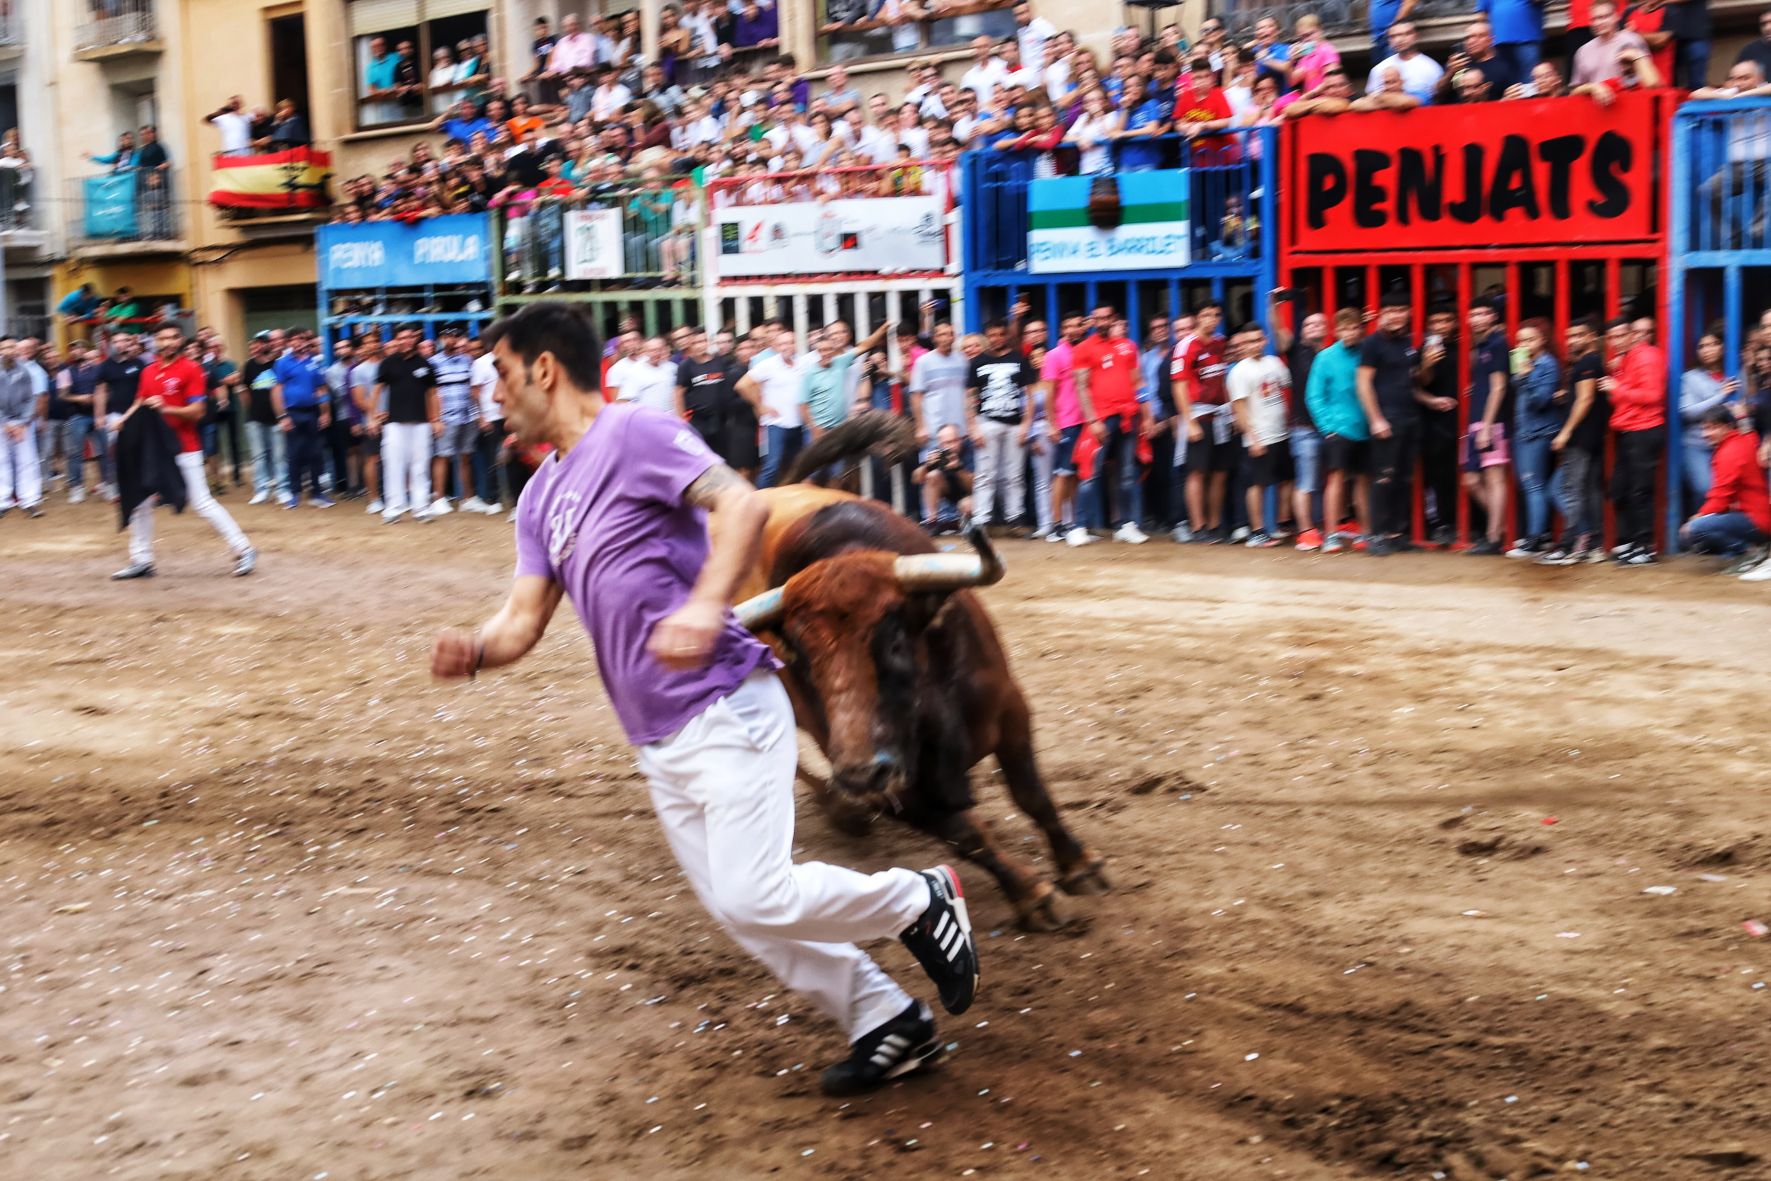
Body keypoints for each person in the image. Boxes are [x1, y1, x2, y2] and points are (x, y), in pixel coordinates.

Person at [429, 303, 979, 1097]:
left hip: (725, 702)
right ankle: (887, 1019)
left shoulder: (636, 434)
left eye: (503, 376)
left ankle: (920, 898)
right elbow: (521, 620)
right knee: (742, 907)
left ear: (543, 369)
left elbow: (743, 504)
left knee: (758, 890)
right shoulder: (540, 498)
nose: (496, 395)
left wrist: (702, 603)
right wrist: (476, 650)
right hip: (656, 736)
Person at [112, 326, 256, 580]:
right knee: (141, 502)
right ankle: (141, 559)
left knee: (201, 502)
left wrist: (167, 408)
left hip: (184, 446)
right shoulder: (148, 371)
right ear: (154, 341)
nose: (167, 342)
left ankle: (243, 549)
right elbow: (140, 401)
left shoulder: (191, 369)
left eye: (172, 337)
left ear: (180, 340)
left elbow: (198, 411)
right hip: (153, 447)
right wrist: (124, 419)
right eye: (162, 338)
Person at [1072, 308, 1149, 545]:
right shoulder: (1083, 348)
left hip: (1128, 416)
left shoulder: (1128, 346)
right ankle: (1078, 527)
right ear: (1092, 321)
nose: (1104, 322)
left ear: (1114, 319)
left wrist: (1147, 415)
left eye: (1108, 317)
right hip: (1102, 418)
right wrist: (1093, 421)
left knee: (1127, 474)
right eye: (1099, 318)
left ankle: (1126, 525)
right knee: (1090, 474)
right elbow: (1082, 387)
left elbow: (1138, 382)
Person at [1356, 290, 1424, 557]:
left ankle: (1396, 534)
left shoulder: (1408, 343)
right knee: (1383, 477)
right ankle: (1375, 535)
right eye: (1391, 311)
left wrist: (1427, 366)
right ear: (1381, 315)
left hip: (1409, 417)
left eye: (1401, 310)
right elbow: (1363, 384)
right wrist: (1376, 419)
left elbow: (1416, 381)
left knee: (1404, 478)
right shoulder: (1372, 344)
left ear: (1408, 313)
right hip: (1386, 419)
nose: (1396, 316)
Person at [1540, 319, 1609, 565]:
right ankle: (1594, 545)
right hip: (1592, 437)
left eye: (1579, 335)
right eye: (1569, 336)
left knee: (1569, 490)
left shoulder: (1587, 363)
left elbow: (1586, 399)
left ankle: (1572, 544)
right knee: (1589, 491)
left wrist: (1565, 432)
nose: (1572, 341)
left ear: (1592, 337)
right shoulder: (1590, 363)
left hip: (1580, 438)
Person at [1606, 316, 1668, 564]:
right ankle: (1631, 541)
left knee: (1639, 490)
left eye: (1621, 335)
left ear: (1633, 335)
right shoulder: (1626, 360)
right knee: (1620, 490)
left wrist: (1616, 387)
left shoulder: (1646, 356)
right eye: (1612, 337)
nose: (1616, 341)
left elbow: (1653, 395)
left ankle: (1645, 546)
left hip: (1644, 429)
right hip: (1630, 430)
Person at [1307, 309, 1370, 554]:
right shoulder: (1325, 357)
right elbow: (1314, 396)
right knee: (1336, 480)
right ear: (1337, 331)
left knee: (1363, 482)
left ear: (1361, 329)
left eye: (1355, 328)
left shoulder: (1367, 353)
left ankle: (1365, 532)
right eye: (1345, 329)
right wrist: (1327, 428)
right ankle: (1331, 534)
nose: (1351, 333)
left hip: (1365, 428)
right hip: (1338, 429)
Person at [966, 318, 1037, 530]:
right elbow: (969, 396)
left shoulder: (1019, 360)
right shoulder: (977, 362)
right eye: (992, 335)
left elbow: (1030, 395)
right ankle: (981, 518)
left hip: (1015, 424)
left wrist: (1026, 424)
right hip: (987, 422)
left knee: (1014, 474)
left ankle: (1014, 516)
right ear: (987, 337)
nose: (996, 339)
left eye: (1000, 334)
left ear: (1007, 336)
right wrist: (973, 426)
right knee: (985, 473)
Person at [1226, 324, 1292, 548]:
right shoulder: (1239, 371)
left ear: (1264, 340)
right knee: (1257, 484)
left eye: (1257, 340)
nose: (1254, 345)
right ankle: (1257, 532)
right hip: (1260, 435)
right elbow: (1239, 407)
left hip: (1280, 432)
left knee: (1286, 479)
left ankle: (1280, 525)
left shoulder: (1274, 362)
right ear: (1243, 344)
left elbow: (1286, 387)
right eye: (1249, 342)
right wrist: (1252, 437)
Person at [1172, 302, 1232, 542]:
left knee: (1219, 473)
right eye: (1206, 315)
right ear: (1197, 318)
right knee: (1196, 473)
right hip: (1198, 415)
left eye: (1216, 315)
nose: (1211, 319)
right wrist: (1190, 421)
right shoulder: (1186, 346)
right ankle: (1198, 527)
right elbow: (1179, 386)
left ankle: (1215, 525)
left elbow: (1223, 379)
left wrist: (1232, 413)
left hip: (1220, 415)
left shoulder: (1220, 343)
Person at [1679, 406, 1768, 561]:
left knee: (1692, 531)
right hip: (1759, 517)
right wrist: (1741, 416)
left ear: (1727, 427)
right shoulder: (1745, 439)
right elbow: (1749, 432)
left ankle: (1748, 552)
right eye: (1705, 429)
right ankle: (1746, 550)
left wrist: (1699, 517)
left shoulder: (1728, 452)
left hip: (1755, 519)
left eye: (1713, 428)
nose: (1706, 434)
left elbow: (1720, 498)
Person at [1458, 302, 1512, 556]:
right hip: (1477, 419)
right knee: (1470, 479)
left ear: (1493, 316)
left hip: (1491, 422)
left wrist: (1488, 426)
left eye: (1483, 313)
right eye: (1473, 314)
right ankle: (1501, 528)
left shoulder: (1498, 343)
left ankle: (1493, 538)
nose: (1477, 318)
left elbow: (1500, 387)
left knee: (1493, 477)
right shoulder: (1481, 345)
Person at [1274, 301, 1326, 550]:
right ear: (1302, 330)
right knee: (1306, 482)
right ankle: (1305, 531)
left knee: (1323, 482)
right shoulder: (1296, 351)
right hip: (1303, 428)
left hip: (1328, 427)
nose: (1314, 327)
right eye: (1309, 324)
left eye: (1319, 323)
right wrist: (1273, 308)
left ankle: (1321, 527)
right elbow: (1279, 333)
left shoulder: (1331, 353)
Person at [375, 325, 439, 524]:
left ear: (415, 339)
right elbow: (377, 390)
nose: (405, 341)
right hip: (394, 423)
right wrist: (373, 415)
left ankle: (421, 508)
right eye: (401, 337)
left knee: (420, 466)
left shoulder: (425, 364)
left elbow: (432, 394)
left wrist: (436, 419)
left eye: (409, 337)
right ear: (396, 340)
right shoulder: (388, 363)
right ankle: (394, 508)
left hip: (421, 423)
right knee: (394, 464)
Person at [1508, 324, 1563, 557]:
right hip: (1525, 430)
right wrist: (1521, 375)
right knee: (1530, 485)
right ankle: (1540, 535)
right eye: (1520, 341)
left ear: (1542, 340)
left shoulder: (1547, 364)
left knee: (1534, 485)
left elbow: (1540, 401)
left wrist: (1527, 375)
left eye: (1530, 340)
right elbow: (1516, 387)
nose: (1524, 345)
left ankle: (1535, 539)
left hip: (1538, 432)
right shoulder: (1528, 363)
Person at [738, 326, 811, 488]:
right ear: (776, 346)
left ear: (796, 344)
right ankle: (759, 500)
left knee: (797, 465)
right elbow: (742, 385)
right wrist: (761, 406)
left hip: (798, 423)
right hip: (776, 424)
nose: (787, 346)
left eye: (791, 342)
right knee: (772, 465)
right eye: (783, 343)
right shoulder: (768, 364)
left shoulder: (802, 363)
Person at [273, 331, 333, 509]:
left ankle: (317, 493)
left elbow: (321, 390)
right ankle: (294, 494)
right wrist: (282, 416)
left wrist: (325, 413)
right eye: (293, 340)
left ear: (305, 341)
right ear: (289, 343)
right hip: (292, 413)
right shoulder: (282, 363)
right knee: (294, 455)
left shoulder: (313, 362)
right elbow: (277, 391)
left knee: (315, 454)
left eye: (300, 339)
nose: (297, 343)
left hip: (312, 413)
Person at [1042, 313, 1087, 542]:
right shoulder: (1054, 355)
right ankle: (1056, 525)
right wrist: (1052, 423)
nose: (1072, 330)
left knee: (1077, 476)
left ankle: (1073, 524)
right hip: (1066, 422)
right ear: (1062, 329)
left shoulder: (1087, 350)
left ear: (1084, 326)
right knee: (1062, 474)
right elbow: (1048, 392)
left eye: (1077, 325)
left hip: (1087, 421)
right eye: (1067, 326)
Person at [1679, 332, 1737, 506]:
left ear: (1723, 347)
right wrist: (1721, 396)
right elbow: (1688, 412)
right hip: (1698, 444)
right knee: (1705, 489)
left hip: (1728, 444)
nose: (1707, 350)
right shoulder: (1690, 377)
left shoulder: (1735, 374)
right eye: (1702, 346)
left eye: (1712, 344)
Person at [0, 337, 44, 518]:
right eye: (4, 348)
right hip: (2, 423)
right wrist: (5, 423)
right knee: (1, 461)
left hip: (22, 423)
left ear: (16, 349)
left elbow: (31, 399)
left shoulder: (27, 370)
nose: (9, 350)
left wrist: (23, 423)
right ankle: (3, 500)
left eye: (12, 347)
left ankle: (30, 501)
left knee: (27, 461)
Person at [1572, 1, 1652, 86]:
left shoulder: (1632, 40)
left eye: (1604, 17)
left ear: (1616, 16)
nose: (1598, 23)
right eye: (1594, 19)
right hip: (1596, 98)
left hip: (1630, 96)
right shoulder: (1583, 51)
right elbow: (1577, 88)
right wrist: (1593, 88)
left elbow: (1648, 76)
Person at [349, 335, 386, 515]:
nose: (372, 345)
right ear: (363, 347)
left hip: (392, 419)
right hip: (371, 421)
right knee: (372, 459)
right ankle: (374, 499)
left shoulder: (388, 364)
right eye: (367, 342)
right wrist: (374, 415)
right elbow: (359, 399)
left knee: (392, 460)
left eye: (374, 341)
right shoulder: (359, 370)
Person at [1368, 21, 1445, 104]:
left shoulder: (1432, 68)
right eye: (1393, 36)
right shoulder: (1378, 69)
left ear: (1416, 36)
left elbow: (1438, 101)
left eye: (1406, 34)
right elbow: (1369, 101)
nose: (1399, 40)